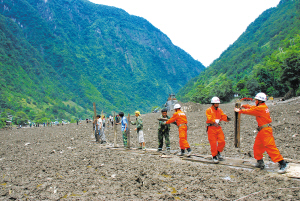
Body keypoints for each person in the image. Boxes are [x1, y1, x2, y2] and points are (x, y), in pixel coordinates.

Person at [234, 92, 288, 174]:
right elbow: (252, 107)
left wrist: (240, 110)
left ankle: (282, 163)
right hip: (262, 130)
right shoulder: (262, 106)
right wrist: (244, 105)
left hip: (265, 130)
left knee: (270, 146)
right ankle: (260, 162)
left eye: (256, 100)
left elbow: (251, 111)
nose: (255, 101)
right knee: (257, 147)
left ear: (259, 101)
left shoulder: (260, 108)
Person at [206, 97, 231, 163]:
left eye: (218, 103)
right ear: (213, 103)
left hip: (218, 128)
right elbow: (209, 118)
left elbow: (222, 116)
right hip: (211, 128)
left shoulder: (219, 110)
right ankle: (214, 156)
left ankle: (218, 152)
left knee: (222, 141)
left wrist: (227, 118)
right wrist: (215, 120)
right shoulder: (209, 110)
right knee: (213, 143)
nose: (217, 104)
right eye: (216, 103)